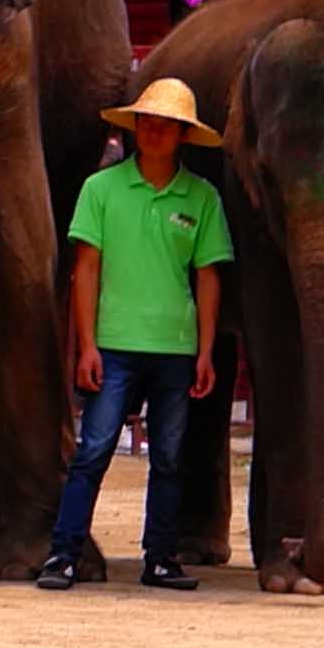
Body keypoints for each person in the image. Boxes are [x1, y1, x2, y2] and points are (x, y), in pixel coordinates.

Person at [42, 76, 232, 593]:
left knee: (169, 459)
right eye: (145, 121)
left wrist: (206, 351)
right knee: (92, 452)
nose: (153, 131)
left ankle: (161, 558)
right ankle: (63, 554)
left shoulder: (203, 198)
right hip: (114, 345)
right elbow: (85, 270)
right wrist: (86, 345)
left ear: (183, 135)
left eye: (166, 125)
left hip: (176, 346)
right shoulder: (100, 189)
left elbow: (208, 278)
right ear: (133, 128)